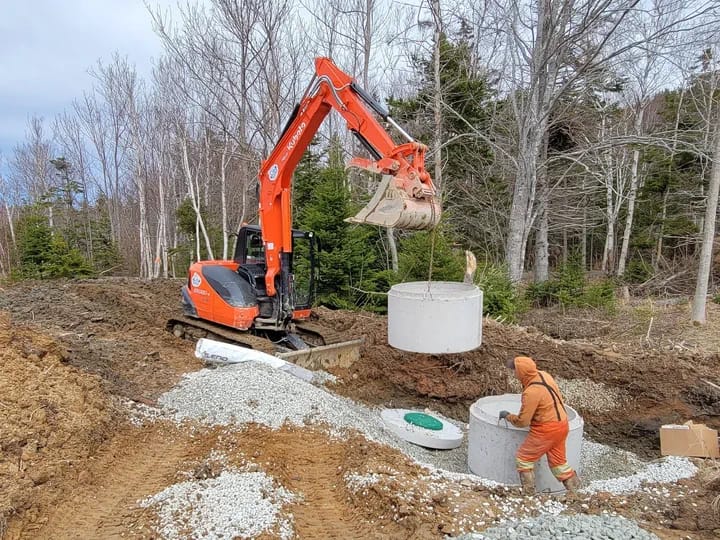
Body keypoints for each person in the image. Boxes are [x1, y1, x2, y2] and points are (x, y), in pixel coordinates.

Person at [499, 356, 580, 495]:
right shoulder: (544, 375)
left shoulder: (531, 392)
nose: (514, 374)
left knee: (524, 458)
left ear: (521, 373)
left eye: (515, 371)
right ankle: (577, 492)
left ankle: (528, 492)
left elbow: (523, 421)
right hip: (562, 424)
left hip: (546, 430)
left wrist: (508, 416)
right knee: (558, 463)